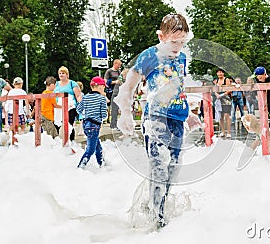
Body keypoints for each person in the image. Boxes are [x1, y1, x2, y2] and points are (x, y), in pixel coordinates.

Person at [114, 13, 190, 228]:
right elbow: (128, 88)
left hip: (178, 118)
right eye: (174, 41)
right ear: (161, 36)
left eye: (182, 41)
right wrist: (126, 114)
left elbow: (178, 87)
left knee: (173, 167)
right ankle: (157, 220)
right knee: (158, 166)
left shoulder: (182, 58)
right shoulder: (149, 56)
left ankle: (158, 205)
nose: (178, 46)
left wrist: (191, 115)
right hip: (155, 118)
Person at [76, 76, 108, 169]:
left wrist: (87, 114)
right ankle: (80, 167)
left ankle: (102, 163)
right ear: (100, 86)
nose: (104, 88)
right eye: (104, 86)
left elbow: (78, 110)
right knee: (91, 149)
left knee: (97, 146)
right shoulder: (102, 99)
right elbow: (104, 115)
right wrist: (100, 117)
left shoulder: (85, 97)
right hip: (95, 125)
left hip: (86, 124)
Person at [54, 66, 82, 142]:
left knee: (69, 124)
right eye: (60, 73)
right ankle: (56, 141)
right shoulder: (56, 84)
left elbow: (78, 95)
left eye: (63, 73)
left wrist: (81, 104)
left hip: (71, 106)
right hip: (58, 107)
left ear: (67, 74)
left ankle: (71, 141)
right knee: (56, 124)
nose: (61, 74)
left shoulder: (72, 83)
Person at [214, 68, 232, 138]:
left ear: (223, 73)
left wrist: (222, 95)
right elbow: (215, 89)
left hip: (226, 98)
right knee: (220, 116)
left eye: (221, 72)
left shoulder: (226, 80)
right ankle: (223, 131)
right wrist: (216, 94)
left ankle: (229, 132)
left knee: (226, 115)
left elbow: (229, 90)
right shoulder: (216, 81)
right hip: (218, 99)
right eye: (218, 72)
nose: (219, 74)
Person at [104, 59, 122, 129]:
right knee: (113, 108)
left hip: (118, 91)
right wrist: (115, 82)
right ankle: (113, 124)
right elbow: (105, 81)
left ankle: (115, 123)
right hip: (111, 91)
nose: (119, 66)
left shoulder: (119, 71)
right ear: (115, 64)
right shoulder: (109, 71)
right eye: (119, 65)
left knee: (117, 108)